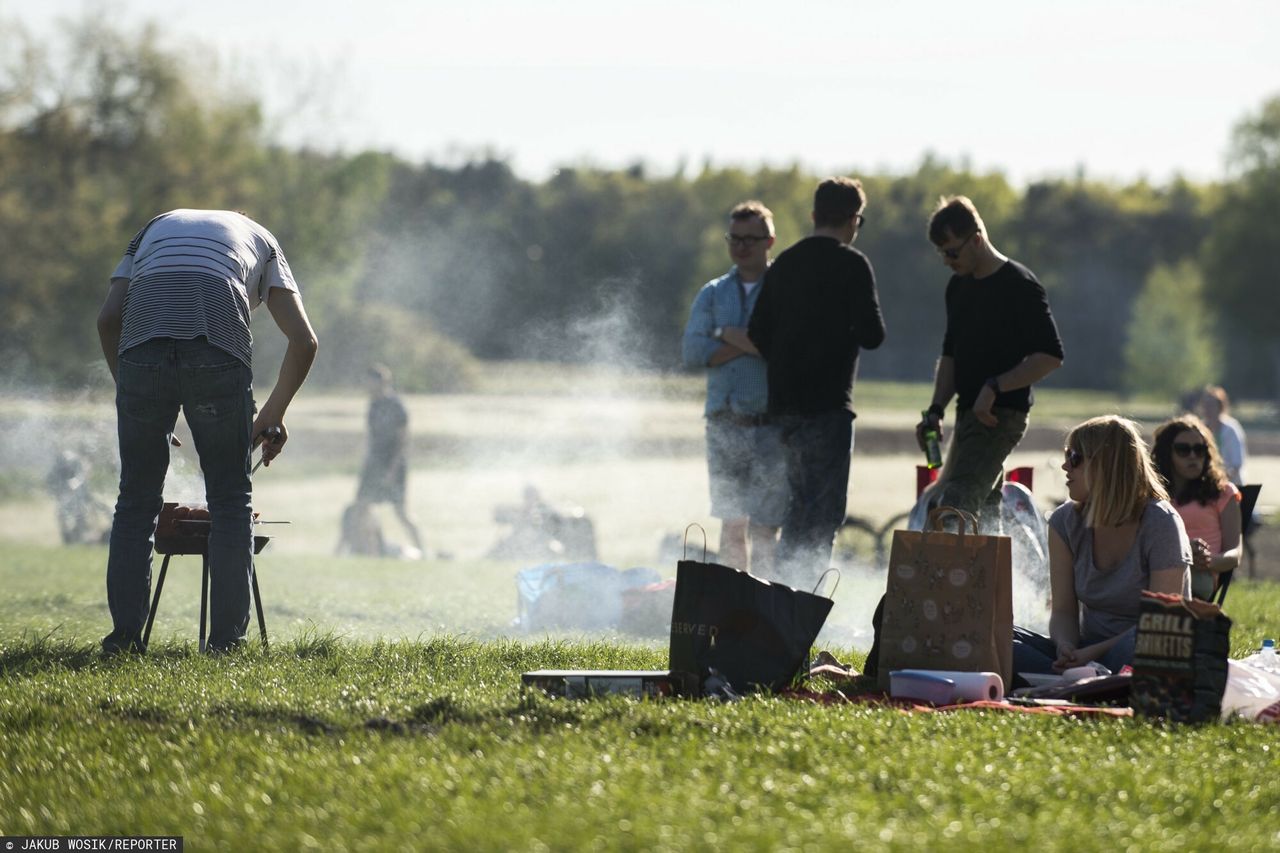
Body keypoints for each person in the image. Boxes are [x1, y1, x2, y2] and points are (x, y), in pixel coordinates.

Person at [96, 209, 318, 654]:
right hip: (217, 348)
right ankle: (225, 646)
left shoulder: (151, 231)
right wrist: (272, 413)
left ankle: (123, 642)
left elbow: (107, 320)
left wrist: (133, 394)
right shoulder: (263, 242)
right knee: (231, 500)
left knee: (136, 500)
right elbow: (304, 340)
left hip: (140, 353)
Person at [747, 177, 886, 584]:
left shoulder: (786, 263)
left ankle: (775, 599)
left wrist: (789, 356)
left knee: (786, 510)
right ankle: (801, 601)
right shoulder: (853, 264)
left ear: (814, 215)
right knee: (819, 517)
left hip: (781, 411)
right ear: (854, 220)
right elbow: (873, 335)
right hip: (828, 409)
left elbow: (757, 332)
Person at [916, 196, 1064, 528]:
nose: (946, 260)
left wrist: (995, 387)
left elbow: (1050, 356)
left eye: (951, 252)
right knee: (985, 508)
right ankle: (999, 576)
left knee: (955, 503)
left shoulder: (1020, 285)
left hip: (1002, 417)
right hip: (968, 415)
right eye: (941, 253)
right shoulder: (957, 286)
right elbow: (951, 354)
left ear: (977, 239)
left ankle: (940, 578)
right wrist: (936, 409)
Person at [1011, 416, 1191, 678]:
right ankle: (1086, 677)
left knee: (1140, 642)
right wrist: (1066, 647)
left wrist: (1091, 654)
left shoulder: (1161, 523)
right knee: (999, 637)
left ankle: (1081, 678)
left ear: (1106, 464)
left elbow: (1163, 621)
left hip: (1146, 646)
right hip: (1085, 650)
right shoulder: (1065, 522)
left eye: (1074, 457)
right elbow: (1063, 611)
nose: (1064, 466)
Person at [681, 201, 786, 575]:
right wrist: (745, 341)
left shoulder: (783, 290)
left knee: (764, 525)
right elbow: (692, 351)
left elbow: (782, 350)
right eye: (735, 239)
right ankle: (732, 603)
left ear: (769, 241)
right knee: (731, 523)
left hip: (769, 425)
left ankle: (764, 603)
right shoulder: (712, 294)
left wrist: (722, 334)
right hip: (724, 423)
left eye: (751, 239)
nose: (741, 247)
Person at [1151, 415, 1242, 601]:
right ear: (1167, 453)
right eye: (1183, 450)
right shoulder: (1152, 495)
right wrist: (1183, 551)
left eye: (1199, 449)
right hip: (1158, 567)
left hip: (1199, 575)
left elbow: (1235, 554)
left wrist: (1207, 560)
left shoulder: (1222, 492)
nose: (1193, 456)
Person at [354, 364, 425, 555]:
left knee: (401, 513)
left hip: (393, 465)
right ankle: (367, 552)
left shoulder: (396, 406)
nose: (366, 385)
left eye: (369, 381)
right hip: (374, 464)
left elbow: (403, 441)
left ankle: (422, 551)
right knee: (361, 507)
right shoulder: (373, 404)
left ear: (380, 382)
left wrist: (392, 470)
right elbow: (371, 437)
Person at [1197, 385, 1247, 485]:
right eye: (1206, 405)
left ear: (1220, 407)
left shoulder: (1231, 429)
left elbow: (1237, 463)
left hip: (1232, 484)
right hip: (1206, 485)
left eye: (1211, 405)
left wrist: (1222, 479)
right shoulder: (1199, 429)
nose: (1208, 409)